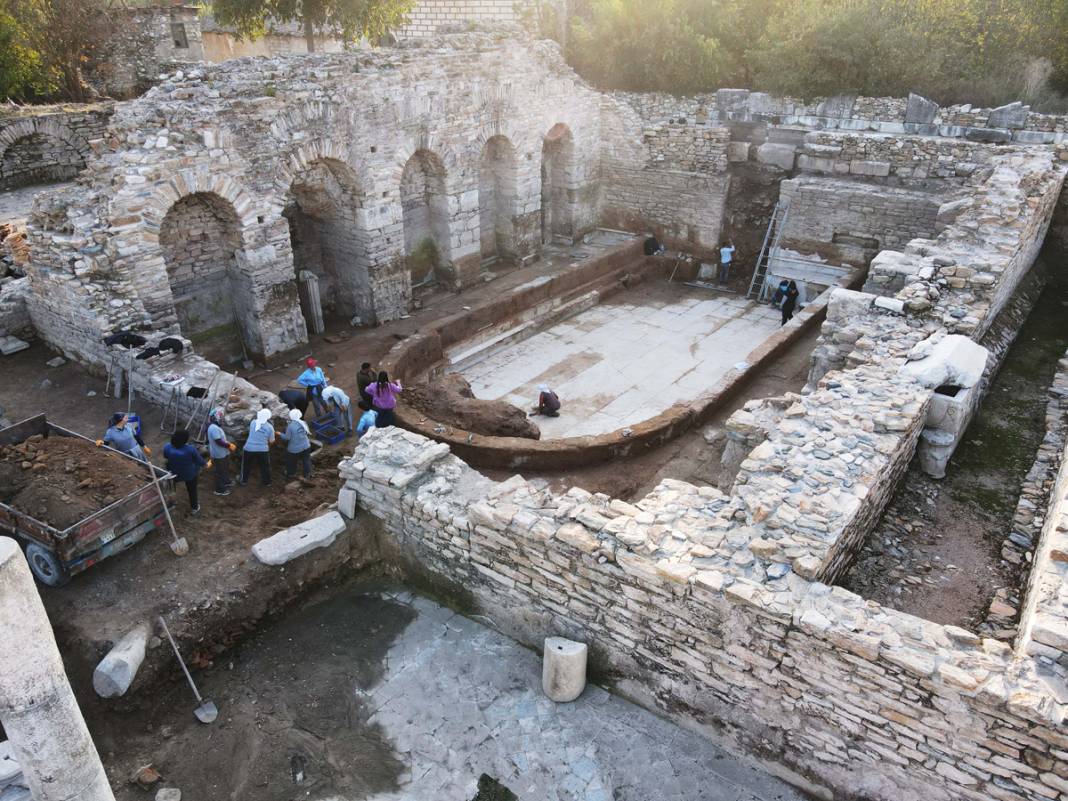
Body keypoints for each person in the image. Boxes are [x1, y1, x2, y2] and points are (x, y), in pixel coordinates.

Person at [163, 430, 208, 514]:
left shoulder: (167, 447)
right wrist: (205, 464)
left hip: (173, 473)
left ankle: (172, 503)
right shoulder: (190, 449)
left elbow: (166, 456)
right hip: (189, 474)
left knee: (171, 489)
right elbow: (199, 461)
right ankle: (194, 508)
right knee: (192, 490)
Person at [239, 408, 275, 486]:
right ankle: (267, 482)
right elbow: (272, 441)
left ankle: (243, 480)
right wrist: (268, 445)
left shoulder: (253, 422)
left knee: (245, 465)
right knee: (265, 466)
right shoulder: (270, 427)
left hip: (249, 448)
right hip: (263, 450)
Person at [206, 408, 237, 496]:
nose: (222, 419)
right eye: (221, 418)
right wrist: (229, 445)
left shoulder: (216, 427)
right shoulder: (213, 428)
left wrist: (228, 444)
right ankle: (219, 489)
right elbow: (218, 441)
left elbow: (221, 439)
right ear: (216, 418)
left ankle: (226, 481)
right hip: (218, 454)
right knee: (219, 471)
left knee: (225, 468)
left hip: (223, 452)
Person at [279, 408, 313, 479]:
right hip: (306, 446)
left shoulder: (290, 426)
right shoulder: (303, 423)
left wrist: (280, 434)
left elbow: (287, 438)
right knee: (306, 460)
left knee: (291, 462)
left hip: (294, 449)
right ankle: (307, 474)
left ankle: (290, 474)